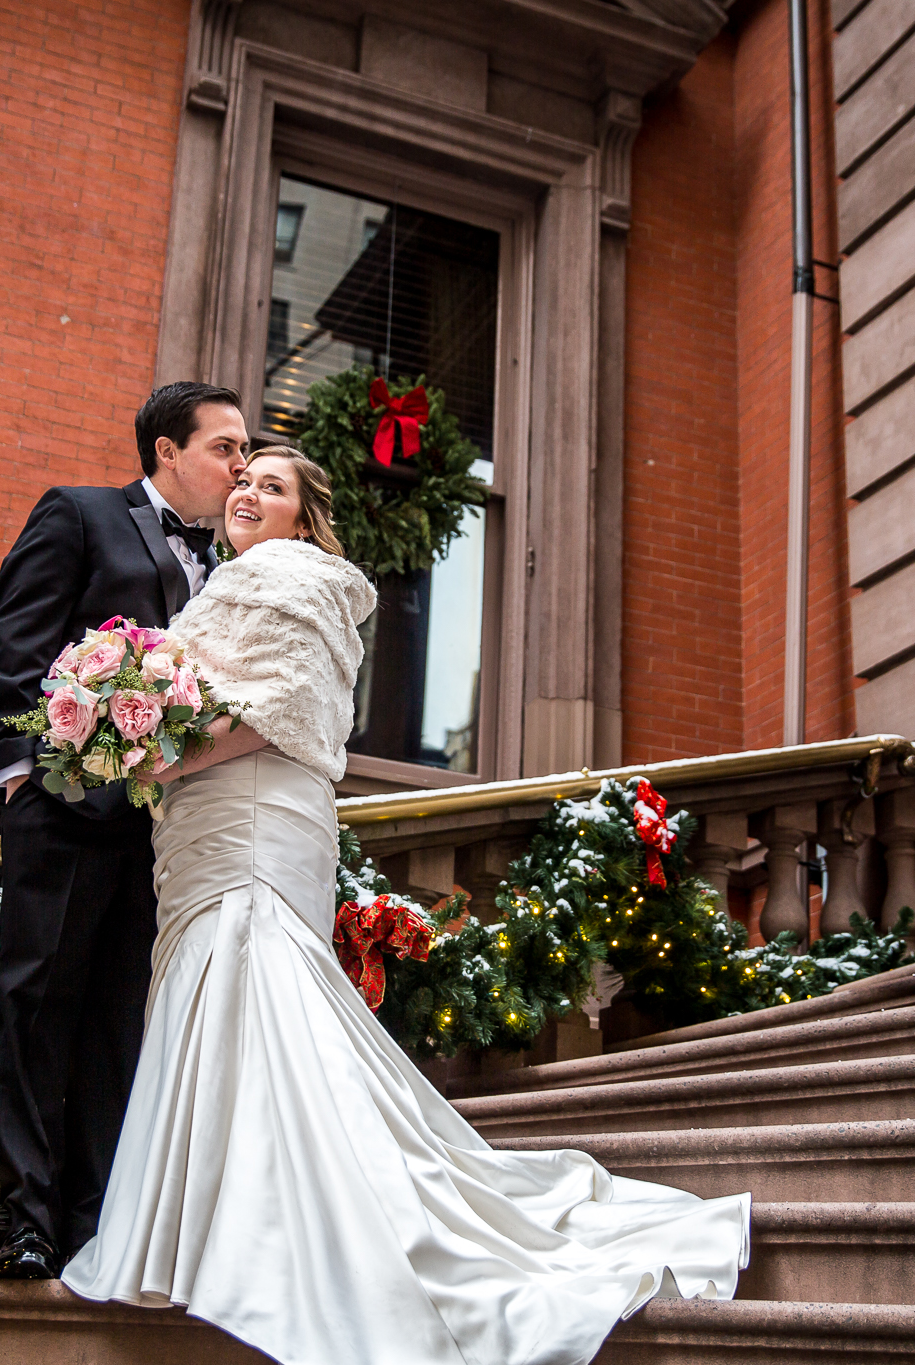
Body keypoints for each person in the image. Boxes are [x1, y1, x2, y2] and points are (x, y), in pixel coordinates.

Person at [60, 446, 750, 1365]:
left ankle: (270, 1235)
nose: (249, 491)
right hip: (209, 826)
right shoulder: (238, 580)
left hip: (254, 818)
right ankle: (220, 1228)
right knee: (228, 1000)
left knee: (256, 988)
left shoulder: (296, 576)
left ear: (305, 517)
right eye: (245, 479)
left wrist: (158, 755)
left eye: (273, 485)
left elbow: (281, 708)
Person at [0, 382, 248, 1280]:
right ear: (168, 450)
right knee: (39, 1008)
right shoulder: (81, 514)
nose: (240, 466)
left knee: (123, 1024)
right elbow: (13, 640)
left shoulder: (236, 563)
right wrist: (20, 780)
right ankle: (26, 1221)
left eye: (246, 451)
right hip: (66, 812)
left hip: (167, 834)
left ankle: (97, 1228)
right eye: (225, 447)